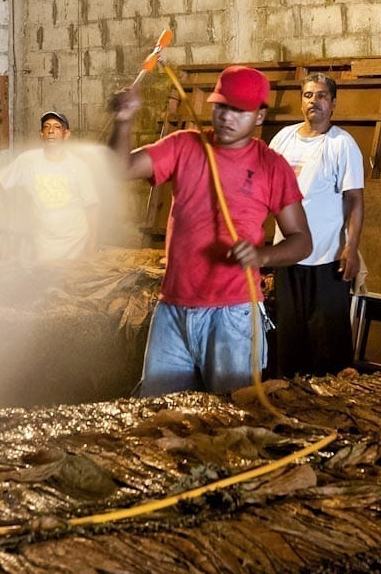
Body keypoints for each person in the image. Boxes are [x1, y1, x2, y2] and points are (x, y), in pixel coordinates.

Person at [109, 66, 312, 395]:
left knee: (229, 417)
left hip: (233, 314)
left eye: (239, 110)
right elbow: (121, 169)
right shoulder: (184, 146)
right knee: (157, 415)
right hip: (173, 309)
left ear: (259, 116)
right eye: (221, 106)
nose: (227, 117)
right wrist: (124, 120)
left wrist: (262, 255)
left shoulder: (272, 166)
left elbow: (302, 242)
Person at [268, 72, 365, 377]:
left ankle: (333, 405)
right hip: (287, 254)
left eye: (322, 95)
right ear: (302, 102)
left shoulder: (341, 144)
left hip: (326, 258)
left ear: (333, 104)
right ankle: (291, 401)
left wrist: (351, 246)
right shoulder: (283, 138)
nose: (315, 101)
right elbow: (262, 188)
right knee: (289, 335)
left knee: (327, 340)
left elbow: (355, 200)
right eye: (309, 95)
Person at [0, 110, 99, 262]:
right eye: (46, 127)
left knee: (76, 283)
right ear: (41, 134)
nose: (51, 131)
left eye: (57, 127)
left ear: (66, 134)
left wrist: (91, 246)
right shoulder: (28, 161)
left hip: (76, 242)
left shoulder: (79, 167)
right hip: (46, 243)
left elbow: (92, 207)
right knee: (49, 282)